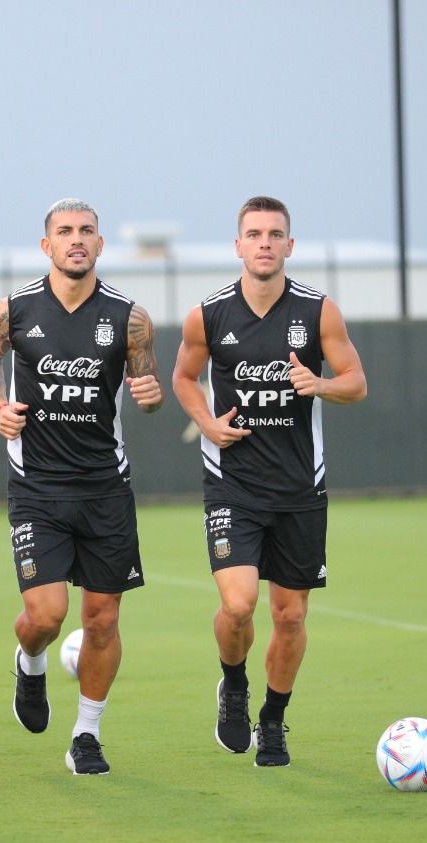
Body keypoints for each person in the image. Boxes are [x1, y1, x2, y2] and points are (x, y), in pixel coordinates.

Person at [171, 196, 367, 767]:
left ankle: (274, 721)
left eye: (274, 234)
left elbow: (355, 382)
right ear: (238, 245)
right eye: (253, 234)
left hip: (300, 488)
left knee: (291, 616)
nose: (264, 243)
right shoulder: (207, 315)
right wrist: (207, 423)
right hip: (233, 484)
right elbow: (184, 377)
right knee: (239, 605)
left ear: (289, 245)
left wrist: (319, 385)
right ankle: (233, 683)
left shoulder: (318, 311)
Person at [0, 198, 164, 776]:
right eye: (64, 232)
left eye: (86, 231)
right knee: (47, 615)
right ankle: (29, 663)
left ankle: (86, 734)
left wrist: (150, 397)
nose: (76, 240)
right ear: (47, 246)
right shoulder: (12, 310)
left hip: (106, 487)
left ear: (100, 245)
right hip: (37, 487)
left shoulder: (131, 318)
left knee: (102, 619)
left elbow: (144, 384)